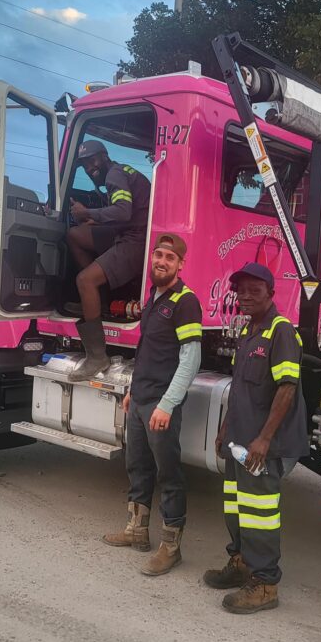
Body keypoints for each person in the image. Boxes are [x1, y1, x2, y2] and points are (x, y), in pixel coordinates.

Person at [203, 263, 308, 613]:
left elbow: (287, 388)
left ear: (271, 294)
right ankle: (242, 562)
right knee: (237, 507)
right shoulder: (249, 332)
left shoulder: (281, 331)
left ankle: (265, 585)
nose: (245, 296)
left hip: (261, 445)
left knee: (260, 513)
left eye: (254, 290)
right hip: (239, 440)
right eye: (241, 290)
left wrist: (264, 439)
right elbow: (240, 390)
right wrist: (224, 429)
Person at [103, 233, 202, 576]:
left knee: (169, 474)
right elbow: (147, 351)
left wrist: (167, 404)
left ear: (180, 264)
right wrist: (132, 388)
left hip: (162, 405)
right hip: (141, 398)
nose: (161, 261)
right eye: (158, 255)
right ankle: (137, 530)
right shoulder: (154, 296)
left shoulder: (186, 301)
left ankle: (171, 547)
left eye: (169, 258)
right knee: (138, 466)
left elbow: (190, 360)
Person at [66, 139, 151, 381]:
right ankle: (98, 303)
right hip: (125, 231)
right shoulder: (120, 171)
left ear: (104, 156)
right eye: (84, 166)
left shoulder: (114, 175)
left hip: (136, 240)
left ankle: (96, 356)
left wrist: (87, 213)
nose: (89, 169)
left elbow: (123, 210)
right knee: (75, 234)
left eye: (92, 161)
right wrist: (96, 220)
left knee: (85, 280)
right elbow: (124, 214)